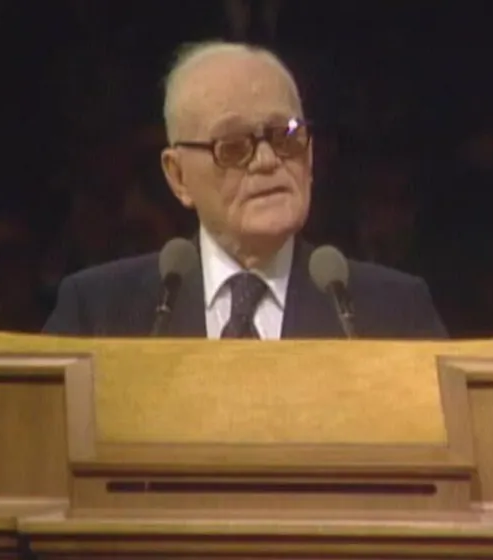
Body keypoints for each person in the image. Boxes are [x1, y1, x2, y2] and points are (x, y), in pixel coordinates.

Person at [43, 41, 447, 339]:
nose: (268, 160)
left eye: (286, 136)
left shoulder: (393, 311)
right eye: (234, 147)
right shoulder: (98, 311)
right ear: (178, 176)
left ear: (310, 155)